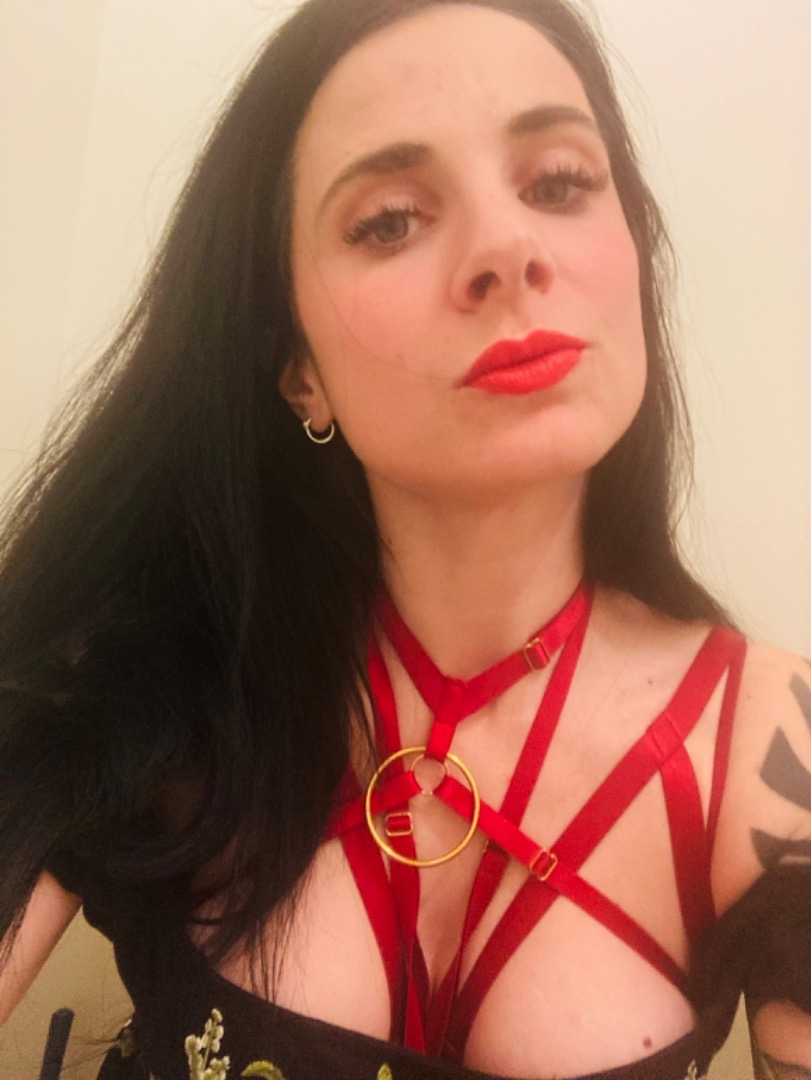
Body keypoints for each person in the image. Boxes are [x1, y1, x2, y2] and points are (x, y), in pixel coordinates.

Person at [1, 0, 809, 1077]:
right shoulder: (153, 675)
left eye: (558, 182)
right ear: (298, 369)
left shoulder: (770, 750)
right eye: (389, 220)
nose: (507, 248)